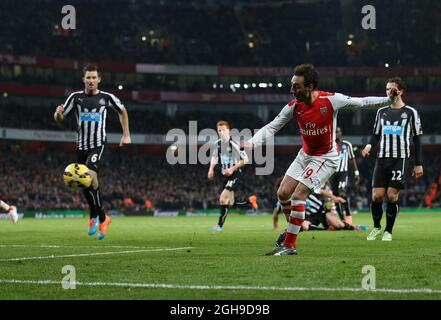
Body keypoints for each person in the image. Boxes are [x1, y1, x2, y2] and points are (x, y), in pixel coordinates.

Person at [243, 64, 398, 255]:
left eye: (296, 86)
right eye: (292, 85)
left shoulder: (331, 100)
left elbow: (362, 102)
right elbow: (272, 127)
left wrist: (389, 99)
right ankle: (294, 228)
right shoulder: (293, 106)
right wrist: (252, 143)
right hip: (305, 155)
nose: (292, 90)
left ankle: (290, 245)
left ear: (309, 87)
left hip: (326, 157)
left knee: (299, 195)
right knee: (283, 193)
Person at [54, 64, 131, 240]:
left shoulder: (106, 97)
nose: (91, 80)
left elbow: (123, 111)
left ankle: (95, 216)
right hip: (81, 146)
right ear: (84, 80)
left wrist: (126, 135)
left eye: (93, 77)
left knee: (88, 175)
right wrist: (57, 114)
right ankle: (102, 217)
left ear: (99, 79)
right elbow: (59, 118)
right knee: (84, 182)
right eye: (88, 77)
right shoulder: (75, 97)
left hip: (98, 144)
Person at [362, 77, 423, 241]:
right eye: (387, 89)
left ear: (401, 91)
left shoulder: (411, 112)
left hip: (400, 158)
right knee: (376, 196)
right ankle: (376, 227)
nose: (389, 92)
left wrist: (418, 164)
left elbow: (417, 139)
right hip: (382, 159)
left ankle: (388, 231)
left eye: (392, 89)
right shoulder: (381, 112)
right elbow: (376, 134)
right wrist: (369, 146)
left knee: (391, 195)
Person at [208, 120, 258, 231]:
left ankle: (219, 226)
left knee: (222, 199)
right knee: (230, 203)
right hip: (225, 176)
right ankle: (250, 203)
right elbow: (214, 157)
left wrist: (232, 168)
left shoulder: (234, 144)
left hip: (235, 174)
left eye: (223, 130)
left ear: (228, 131)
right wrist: (211, 169)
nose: (221, 132)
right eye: (219, 130)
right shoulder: (217, 144)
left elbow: (245, 159)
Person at [329, 127, 360, 224]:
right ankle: (341, 218)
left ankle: (348, 214)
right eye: (335, 132)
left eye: (338, 132)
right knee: (335, 196)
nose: (336, 134)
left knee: (342, 193)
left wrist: (356, 172)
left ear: (341, 133)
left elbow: (352, 158)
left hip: (343, 173)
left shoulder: (347, 145)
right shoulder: (330, 145)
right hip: (332, 174)